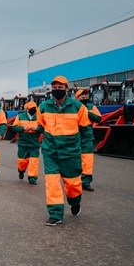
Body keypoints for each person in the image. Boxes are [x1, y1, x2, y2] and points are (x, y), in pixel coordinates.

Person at [37, 76, 91, 226]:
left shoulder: (78, 107)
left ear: (67, 89)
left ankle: (75, 201)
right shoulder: (43, 107)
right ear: (51, 90)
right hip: (50, 152)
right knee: (52, 183)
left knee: (73, 184)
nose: (57, 90)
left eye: (61, 88)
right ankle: (55, 214)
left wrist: (85, 148)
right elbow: (41, 126)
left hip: (71, 152)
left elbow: (86, 130)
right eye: (55, 88)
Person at [76, 88, 102, 191]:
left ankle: (86, 182)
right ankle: (74, 181)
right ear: (77, 98)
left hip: (87, 137)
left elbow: (98, 119)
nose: (85, 97)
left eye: (86, 96)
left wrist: (87, 112)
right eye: (82, 96)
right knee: (74, 160)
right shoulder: (72, 107)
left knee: (87, 161)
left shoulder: (92, 107)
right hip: (74, 136)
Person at [12, 101, 42, 185]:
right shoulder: (20, 116)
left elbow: (43, 128)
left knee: (34, 162)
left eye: (34, 108)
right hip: (23, 143)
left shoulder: (39, 117)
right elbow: (14, 127)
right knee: (22, 161)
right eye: (31, 108)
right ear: (26, 109)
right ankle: (21, 170)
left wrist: (36, 128)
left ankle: (32, 178)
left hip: (34, 142)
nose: (32, 110)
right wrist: (22, 128)